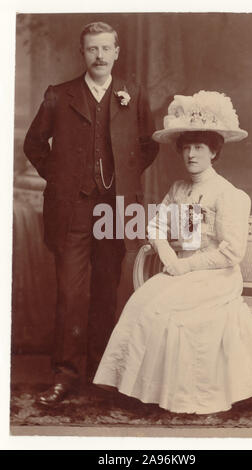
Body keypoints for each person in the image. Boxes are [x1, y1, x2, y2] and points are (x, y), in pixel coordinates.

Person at [93, 91, 252, 414]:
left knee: (164, 306)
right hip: (180, 269)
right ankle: (139, 389)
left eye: (199, 147)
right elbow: (156, 227)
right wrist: (171, 258)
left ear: (214, 151)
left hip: (216, 277)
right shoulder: (178, 189)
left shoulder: (229, 195)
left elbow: (231, 254)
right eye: (186, 147)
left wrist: (186, 268)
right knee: (141, 302)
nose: (191, 154)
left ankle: (183, 396)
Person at [23, 21, 159, 405]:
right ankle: (65, 376)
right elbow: (34, 144)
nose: (99, 56)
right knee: (70, 292)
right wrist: (61, 176)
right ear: (82, 53)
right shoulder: (58, 95)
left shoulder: (134, 93)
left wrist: (125, 178)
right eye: (91, 49)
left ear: (117, 52)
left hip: (117, 206)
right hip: (72, 208)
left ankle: (102, 373)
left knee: (106, 290)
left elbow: (149, 146)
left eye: (105, 48)